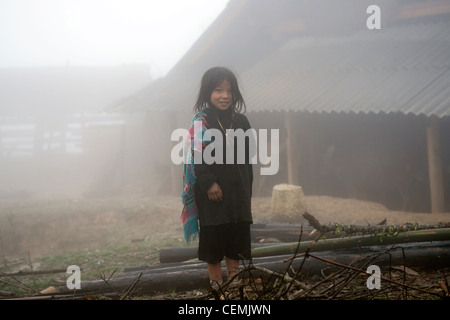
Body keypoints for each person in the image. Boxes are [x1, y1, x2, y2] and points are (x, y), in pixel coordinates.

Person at [181, 66, 253, 290]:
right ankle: (216, 287)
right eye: (218, 90)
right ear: (207, 93)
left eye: (229, 91)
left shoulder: (241, 121)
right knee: (214, 240)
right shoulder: (202, 121)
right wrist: (209, 182)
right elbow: (196, 157)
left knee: (236, 238)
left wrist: (246, 189)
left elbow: (247, 160)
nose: (225, 96)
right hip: (212, 193)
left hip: (238, 192)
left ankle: (234, 284)